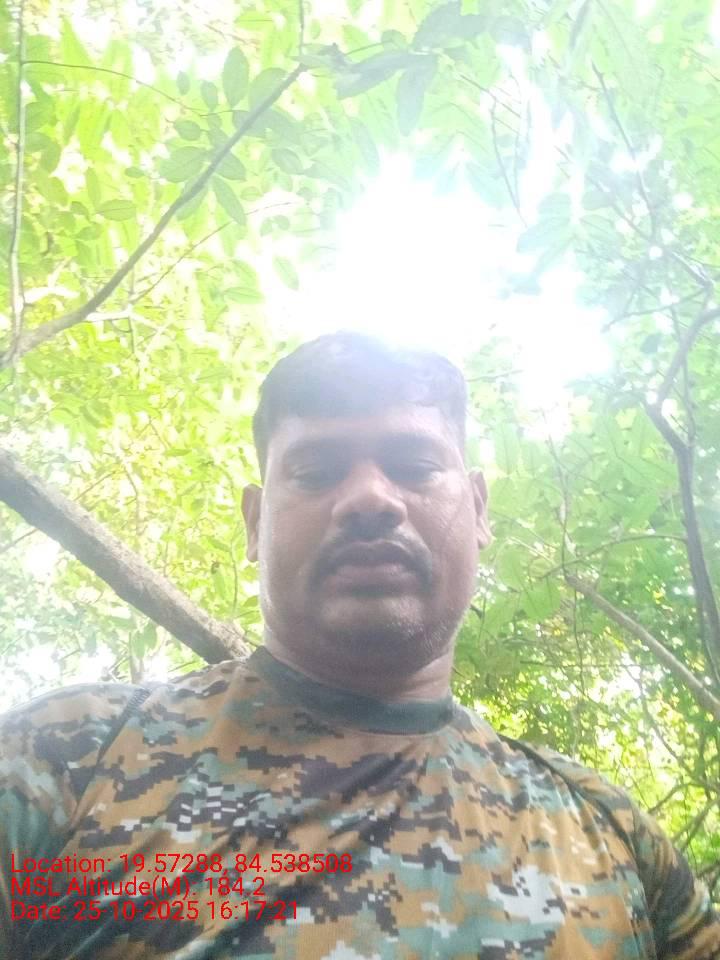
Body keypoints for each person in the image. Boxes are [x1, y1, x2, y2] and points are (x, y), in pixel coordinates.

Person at [1, 331, 718, 960]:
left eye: (414, 466)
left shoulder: (609, 830)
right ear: (254, 523)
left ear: (478, 509)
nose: (371, 497)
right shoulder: (67, 757)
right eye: (316, 472)